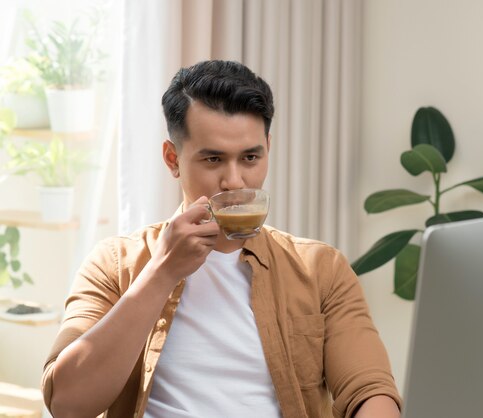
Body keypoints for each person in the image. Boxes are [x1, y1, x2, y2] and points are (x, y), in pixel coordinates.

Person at [41, 60, 401, 418]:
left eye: (250, 157)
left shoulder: (321, 269)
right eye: (213, 159)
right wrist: (162, 272)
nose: (235, 181)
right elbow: (67, 404)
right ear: (173, 159)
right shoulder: (114, 263)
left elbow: (371, 391)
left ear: (268, 149)